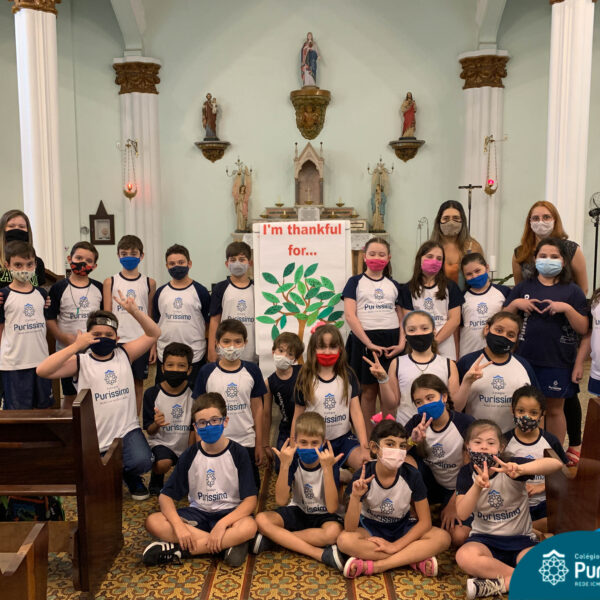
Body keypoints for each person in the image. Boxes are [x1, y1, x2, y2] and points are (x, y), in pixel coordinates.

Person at [36, 300, 160, 501]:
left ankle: (129, 475)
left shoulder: (124, 353)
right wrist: (76, 346)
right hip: (95, 435)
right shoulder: (81, 361)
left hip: (126, 431)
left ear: (117, 338)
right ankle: (109, 472)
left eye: (109, 335)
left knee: (143, 461)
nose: (103, 338)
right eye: (97, 334)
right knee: (95, 487)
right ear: (87, 336)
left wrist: (135, 311)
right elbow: (42, 371)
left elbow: (154, 333)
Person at [142, 392, 258, 567]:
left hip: (229, 515)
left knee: (249, 526)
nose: (208, 426)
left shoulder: (238, 453)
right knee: (153, 521)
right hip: (198, 515)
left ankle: (180, 550)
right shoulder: (190, 454)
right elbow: (165, 497)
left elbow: (250, 501)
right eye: (202, 423)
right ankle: (225, 545)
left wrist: (222, 524)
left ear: (225, 421)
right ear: (195, 427)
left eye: (214, 420)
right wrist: (179, 527)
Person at [512, 200, 589, 466]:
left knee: (559, 403)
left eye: (546, 217)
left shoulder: (571, 280)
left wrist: (566, 307)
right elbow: (514, 304)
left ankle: (557, 453)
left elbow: (583, 314)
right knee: (531, 404)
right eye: (535, 218)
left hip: (559, 351)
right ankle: (534, 449)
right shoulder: (521, 257)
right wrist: (517, 303)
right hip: (528, 350)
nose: (541, 222)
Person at [455, 419, 562, 599]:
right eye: (477, 442)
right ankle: (524, 579)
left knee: (543, 563)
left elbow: (556, 465)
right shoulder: (466, 473)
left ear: (501, 447)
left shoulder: (511, 466)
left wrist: (522, 469)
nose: (484, 447)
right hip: (484, 540)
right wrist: (477, 486)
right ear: (468, 446)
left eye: (491, 443)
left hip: (521, 540)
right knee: (464, 556)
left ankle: (502, 584)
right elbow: (462, 513)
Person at [337, 420, 451, 578]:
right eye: (390, 444)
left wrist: (395, 546)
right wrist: (356, 496)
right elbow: (350, 527)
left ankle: (378, 565)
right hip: (370, 529)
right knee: (344, 540)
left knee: (443, 538)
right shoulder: (362, 475)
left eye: (402, 446)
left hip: (402, 528)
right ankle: (411, 558)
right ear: (375, 448)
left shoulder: (412, 475)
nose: (397, 450)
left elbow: (425, 522)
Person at [252, 412, 345, 571]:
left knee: (334, 533)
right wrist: (284, 466)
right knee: (261, 519)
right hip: (298, 510)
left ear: (323, 442)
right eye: (303, 442)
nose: (309, 447)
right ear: (295, 442)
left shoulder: (329, 462)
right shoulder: (292, 460)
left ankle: (276, 540)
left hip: (323, 515)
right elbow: (281, 500)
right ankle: (320, 553)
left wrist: (328, 470)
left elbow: (331, 508)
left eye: (314, 443)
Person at [193, 319, 266, 489]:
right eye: (226, 341)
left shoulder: (252, 370)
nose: (232, 346)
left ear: (245, 343)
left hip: (246, 441)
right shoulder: (207, 372)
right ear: (217, 343)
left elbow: (258, 409)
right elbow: (198, 411)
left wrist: (259, 444)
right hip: (214, 441)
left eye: (237, 341)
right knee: (218, 489)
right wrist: (199, 443)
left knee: (250, 490)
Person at [405, 374, 474, 546]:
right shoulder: (416, 422)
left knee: (458, 536)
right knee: (405, 459)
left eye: (430, 398)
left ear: (443, 397)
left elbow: (472, 468)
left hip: (459, 487)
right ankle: (414, 512)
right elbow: (394, 453)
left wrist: (454, 502)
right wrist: (412, 441)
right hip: (430, 484)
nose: (425, 404)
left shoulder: (465, 423)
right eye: (419, 402)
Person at [343, 238, 404, 433]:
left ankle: (388, 437)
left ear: (389, 258)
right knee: (368, 392)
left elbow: (403, 318)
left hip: (391, 344)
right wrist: (368, 343)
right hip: (364, 343)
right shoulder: (354, 282)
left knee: (389, 395)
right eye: (372, 254)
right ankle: (368, 440)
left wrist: (402, 344)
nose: (376, 258)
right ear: (364, 257)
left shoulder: (394, 285)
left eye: (381, 254)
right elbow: (350, 315)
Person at [292, 323, 370, 471]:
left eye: (332, 347)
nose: (327, 352)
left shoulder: (348, 375)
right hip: (315, 443)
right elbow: (297, 416)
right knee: (319, 477)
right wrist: (293, 444)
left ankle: (342, 475)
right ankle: (340, 475)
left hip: (344, 440)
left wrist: (364, 446)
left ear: (340, 349)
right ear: (313, 349)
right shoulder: (305, 377)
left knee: (366, 465)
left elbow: (356, 413)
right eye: (322, 347)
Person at [367, 310, 458, 425]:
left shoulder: (448, 364)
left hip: (440, 429)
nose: (418, 333)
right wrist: (382, 380)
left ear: (434, 331)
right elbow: (391, 404)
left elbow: (455, 406)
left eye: (424, 328)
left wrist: (467, 382)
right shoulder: (397, 363)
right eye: (412, 330)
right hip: (406, 429)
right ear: (405, 335)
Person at [455, 311, 538, 433]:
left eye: (510, 335)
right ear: (487, 329)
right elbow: (454, 409)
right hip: (475, 437)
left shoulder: (524, 365)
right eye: (499, 330)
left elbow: (537, 406)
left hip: (513, 438)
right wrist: (467, 382)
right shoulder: (467, 362)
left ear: (516, 339)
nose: (503, 336)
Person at [103, 234, 156, 414]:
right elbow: (107, 316)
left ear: (141, 255)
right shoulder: (110, 281)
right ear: (118, 255)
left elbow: (150, 316)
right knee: (116, 384)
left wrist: (152, 344)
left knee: (137, 383)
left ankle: (134, 420)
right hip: (118, 341)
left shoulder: (149, 283)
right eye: (124, 253)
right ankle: (119, 419)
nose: (128, 257)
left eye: (133, 253)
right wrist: (108, 341)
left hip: (140, 340)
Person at [504, 385, 568, 533]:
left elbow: (564, 472)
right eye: (521, 411)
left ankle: (528, 529)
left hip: (545, 504)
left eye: (533, 413)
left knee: (558, 522)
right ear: (512, 410)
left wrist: (542, 486)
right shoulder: (504, 442)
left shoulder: (550, 441)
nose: (526, 417)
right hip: (515, 505)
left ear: (542, 414)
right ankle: (529, 530)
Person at [47, 241, 102, 406]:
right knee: (70, 394)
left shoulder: (99, 288)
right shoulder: (58, 288)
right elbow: (50, 318)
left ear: (94, 266)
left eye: (88, 260)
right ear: (70, 259)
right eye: (78, 258)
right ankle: (69, 422)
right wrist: (62, 337)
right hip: (67, 351)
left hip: (93, 351)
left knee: (93, 392)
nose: (82, 263)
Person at [0, 241, 52, 409]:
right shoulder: (3, 296)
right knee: (18, 414)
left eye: (29, 264)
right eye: (18, 265)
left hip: (41, 363)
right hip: (14, 364)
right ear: (7, 265)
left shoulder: (42, 294)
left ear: (35, 264)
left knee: (44, 410)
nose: (24, 269)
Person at [153, 244, 210, 388]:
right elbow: (155, 324)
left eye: (181, 262)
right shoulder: (160, 292)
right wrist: (152, 347)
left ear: (189, 264)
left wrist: (210, 349)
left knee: (195, 395)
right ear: (167, 266)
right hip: (165, 354)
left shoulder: (201, 291)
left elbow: (208, 324)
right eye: (172, 263)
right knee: (164, 394)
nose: (176, 266)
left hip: (195, 354)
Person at [143, 342, 195, 496]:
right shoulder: (151, 394)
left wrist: (190, 452)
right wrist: (156, 424)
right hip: (162, 444)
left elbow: (196, 426)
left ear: (189, 370)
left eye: (181, 366)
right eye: (170, 365)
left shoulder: (194, 393)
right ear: (162, 368)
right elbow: (149, 431)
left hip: (187, 443)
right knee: (162, 464)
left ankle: (182, 476)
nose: (175, 370)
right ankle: (156, 478)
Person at [400, 241, 463, 360]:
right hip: (418, 344)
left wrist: (435, 342)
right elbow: (409, 322)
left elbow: (455, 320)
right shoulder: (407, 289)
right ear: (420, 259)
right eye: (430, 256)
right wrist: (424, 343)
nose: (434, 261)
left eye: (439, 258)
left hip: (445, 344)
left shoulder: (451, 287)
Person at [208, 241, 256, 363]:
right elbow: (214, 320)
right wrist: (211, 349)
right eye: (233, 260)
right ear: (227, 263)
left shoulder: (257, 288)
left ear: (250, 263)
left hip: (251, 352)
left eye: (242, 259)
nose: (237, 263)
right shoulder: (220, 288)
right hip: (225, 351)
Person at [263, 332, 304, 471]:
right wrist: (265, 444)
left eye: (290, 354)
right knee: (281, 467)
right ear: (273, 351)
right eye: (281, 351)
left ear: (295, 359)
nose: (284, 356)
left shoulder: (303, 372)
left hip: (306, 426)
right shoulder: (269, 383)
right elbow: (266, 414)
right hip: (286, 428)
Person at [459, 253, 510, 358]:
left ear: (487, 268)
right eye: (469, 274)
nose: (474, 276)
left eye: (477, 271)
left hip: (496, 354)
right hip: (468, 353)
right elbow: (456, 329)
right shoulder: (461, 297)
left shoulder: (504, 292)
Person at [430, 201, 484, 286]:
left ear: (463, 221)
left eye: (456, 218)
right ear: (439, 221)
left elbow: (480, 277)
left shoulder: (473, 246)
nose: (451, 222)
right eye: (446, 218)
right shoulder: (430, 248)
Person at [0, 209, 46, 286]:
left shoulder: (38, 262)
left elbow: (39, 289)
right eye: (11, 226)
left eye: (22, 226)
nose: (17, 229)